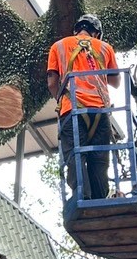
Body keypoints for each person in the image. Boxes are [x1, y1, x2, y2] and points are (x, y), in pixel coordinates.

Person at [47, 13, 120, 200]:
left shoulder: (59, 46)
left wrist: (61, 100)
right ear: (96, 33)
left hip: (71, 109)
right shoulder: (105, 47)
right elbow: (116, 81)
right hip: (99, 110)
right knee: (100, 159)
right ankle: (100, 199)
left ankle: (82, 197)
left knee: (75, 156)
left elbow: (52, 82)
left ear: (77, 29)